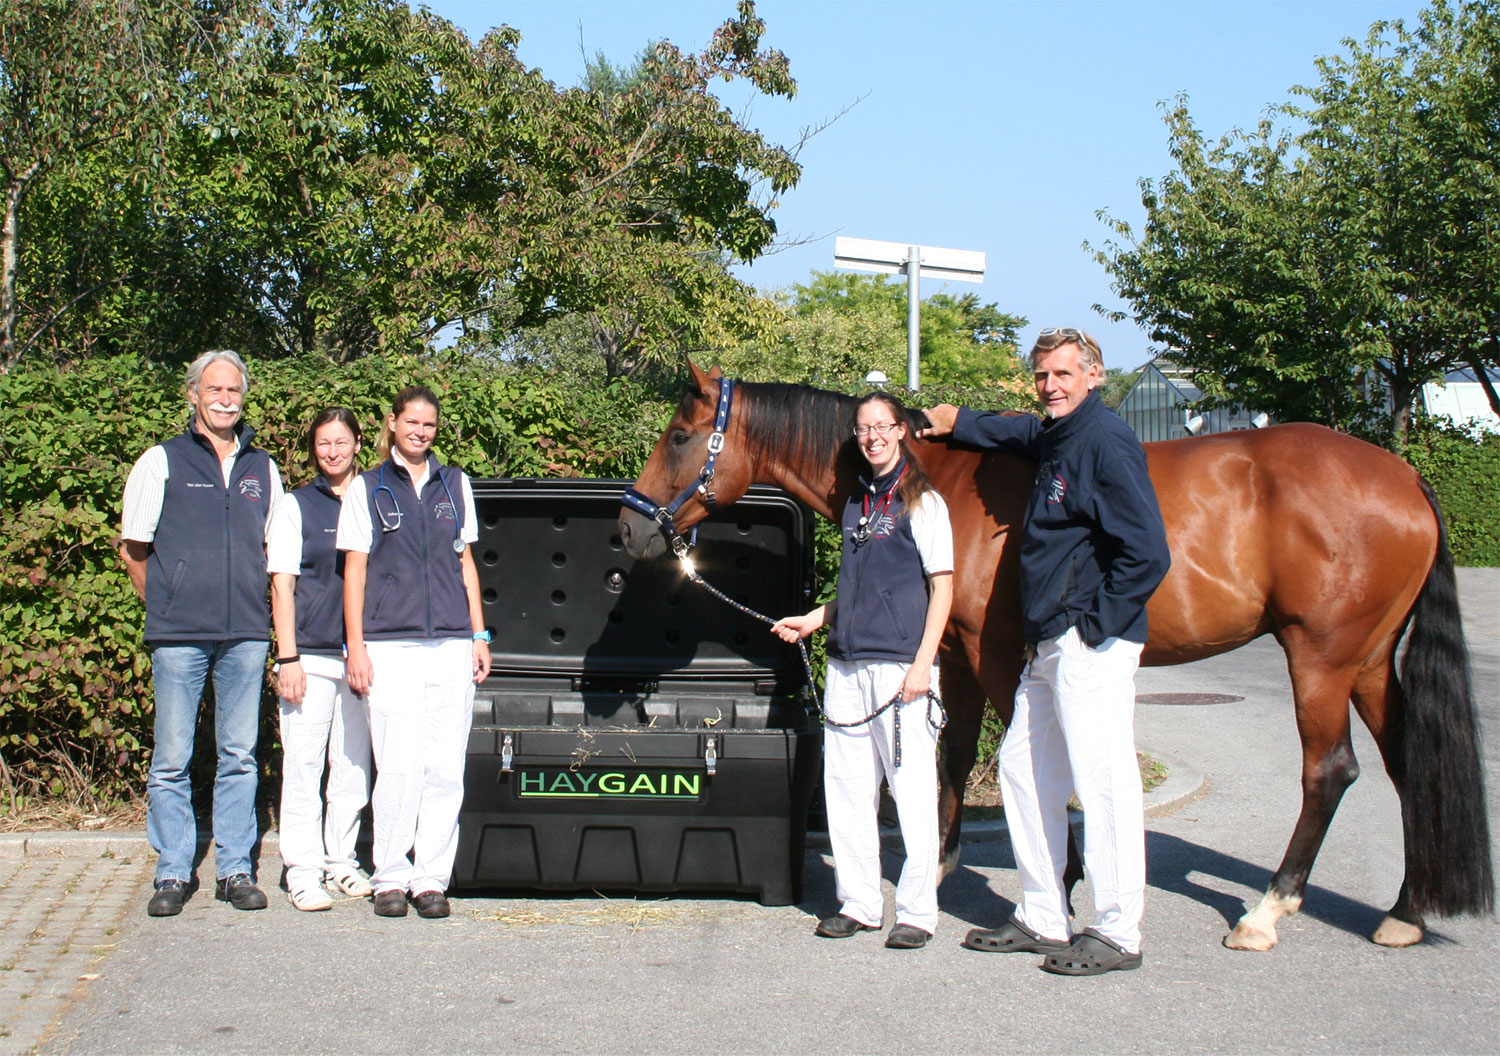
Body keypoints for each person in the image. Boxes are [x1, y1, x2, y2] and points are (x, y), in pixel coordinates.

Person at [921, 326, 1170, 976]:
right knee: (1023, 770)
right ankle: (1042, 914)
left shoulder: (1104, 441)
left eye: (1063, 374)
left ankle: (1119, 931)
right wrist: (958, 421)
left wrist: (1097, 625)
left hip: (1088, 640)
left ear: (1094, 375)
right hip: (1048, 644)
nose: (1051, 386)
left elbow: (1148, 550)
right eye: (1042, 376)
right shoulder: (1057, 434)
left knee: (1104, 782)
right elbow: (1019, 433)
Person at [771, 391, 953, 950]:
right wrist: (813, 619)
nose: (872, 436)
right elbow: (857, 588)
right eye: (863, 428)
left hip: (902, 670)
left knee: (912, 792)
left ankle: (919, 912)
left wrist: (924, 664)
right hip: (847, 666)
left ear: (901, 431)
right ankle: (859, 904)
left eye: (882, 426)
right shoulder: (855, 505)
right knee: (848, 790)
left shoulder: (924, 502)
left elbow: (942, 587)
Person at [120, 349, 283, 916]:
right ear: (193, 394)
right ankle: (172, 872)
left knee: (239, 754)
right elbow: (133, 547)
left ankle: (236, 868)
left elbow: (276, 549)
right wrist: (166, 602)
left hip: (245, 632)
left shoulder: (263, 468)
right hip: (179, 636)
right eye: (214, 389)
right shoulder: (160, 461)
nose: (224, 399)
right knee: (172, 757)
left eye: (233, 391)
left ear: (243, 398)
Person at [337, 385, 491, 919]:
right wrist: (355, 646)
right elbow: (354, 572)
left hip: (450, 642)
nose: (420, 432)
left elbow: (465, 562)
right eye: (412, 423)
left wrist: (479, 634)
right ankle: (390, 877)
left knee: (444, 766)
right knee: (398, 764)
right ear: (393, 424)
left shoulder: (456, 484)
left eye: (429, 425)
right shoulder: (367, 487)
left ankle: (431, 879)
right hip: (389, 645)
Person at [265, 408, 374, 911]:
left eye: (341, 441)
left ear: (357, 443)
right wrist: (288, 658)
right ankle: (303, 870)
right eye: (323, 444)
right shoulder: (295, 505)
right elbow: (282, 584)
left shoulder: (375, 498)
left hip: (360, 658)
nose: (332, 451)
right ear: (314, 449)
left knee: (352, 767)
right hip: (308, 655)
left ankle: (341, 862)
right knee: (305, 767)